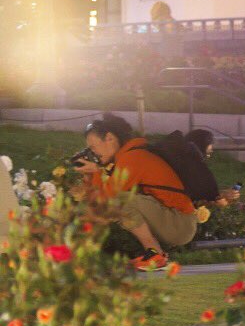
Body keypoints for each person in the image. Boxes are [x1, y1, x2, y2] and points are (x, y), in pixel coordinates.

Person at [79, 114, 196, 266]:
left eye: (93, 147)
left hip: (180, 223)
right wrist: (91, 175)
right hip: (174, 220)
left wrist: (96, 171)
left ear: (109, 138)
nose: (92, 153)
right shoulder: (128, 156)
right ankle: (155, 254)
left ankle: (155, 254)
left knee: (120, 201)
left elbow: (106, 198)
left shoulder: (133, 158)